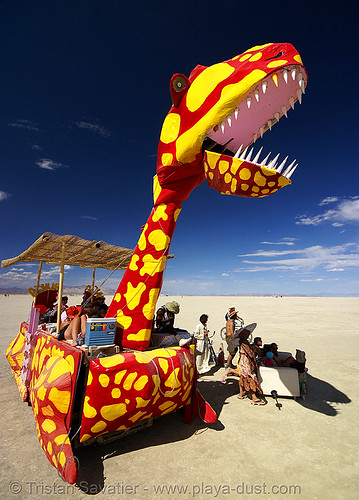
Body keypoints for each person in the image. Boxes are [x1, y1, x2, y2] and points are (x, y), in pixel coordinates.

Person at [236, 325, 265, 405]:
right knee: (250, 377)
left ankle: (241, 393)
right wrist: (253, 350)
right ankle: (254, 397)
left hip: (242, 360)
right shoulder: (244, 342)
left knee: (242, 376)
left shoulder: (241, 341)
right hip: (246, 361)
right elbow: (250, 354)